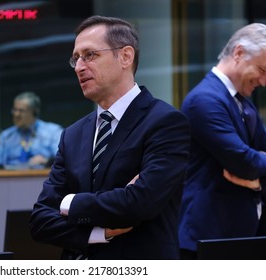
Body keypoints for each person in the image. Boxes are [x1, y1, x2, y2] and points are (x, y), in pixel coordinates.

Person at [29, 15, 191, 260]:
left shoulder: (165, 122)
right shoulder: (72, 134)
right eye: (76, 59)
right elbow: (40, 220)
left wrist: (69, 203)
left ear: (126, 56)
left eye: (90, 55)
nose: (80, 67)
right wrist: (99, 232)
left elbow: (140, 203)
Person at [179, 23, 266, 259]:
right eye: (261, 69)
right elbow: (245, 162)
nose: (264, 81)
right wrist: (254, 171)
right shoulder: (204, 100)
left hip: (240, 235)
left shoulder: (243, 102)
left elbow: (257, 160)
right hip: (210, 237)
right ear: (238, 53)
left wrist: (256, 183)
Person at [0, 91, 63, 169]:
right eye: (14, 110)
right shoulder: (6, 136)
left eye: (21, 111)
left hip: (42, 178)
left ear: (34, 112)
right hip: (10, 179)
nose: (16, 114)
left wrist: (46, 161)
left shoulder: (53, 132)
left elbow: (63, 160)